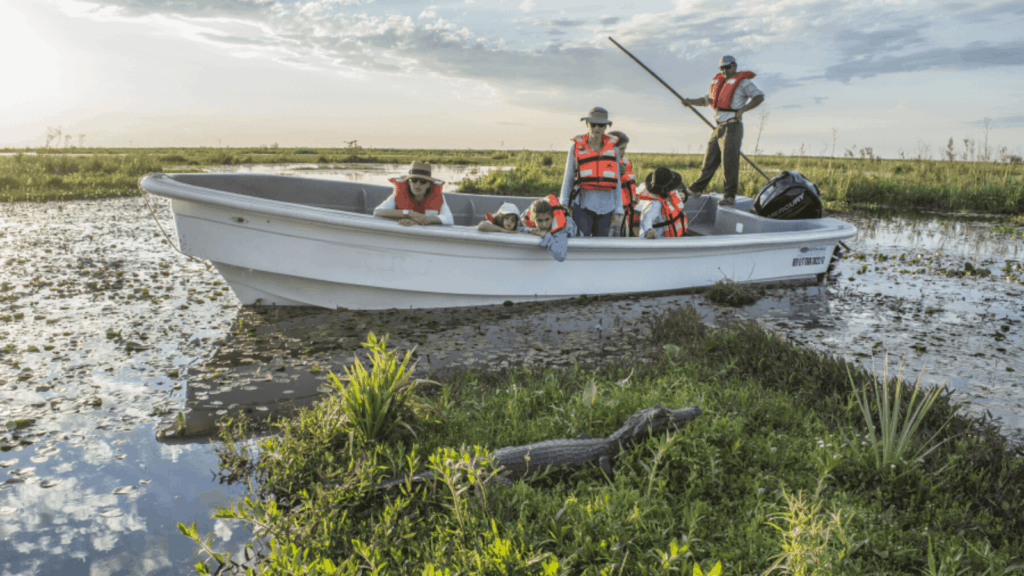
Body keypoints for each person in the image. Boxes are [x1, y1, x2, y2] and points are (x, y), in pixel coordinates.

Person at [680, 55, 764, 206]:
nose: (724, 70)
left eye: (727, 67)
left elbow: (759, 97)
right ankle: (696, 189)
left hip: (732, 126)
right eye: (722, 68)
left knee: (729, 162)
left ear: (734, 66)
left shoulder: (743, 82)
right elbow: (706, 100)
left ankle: (729, 195)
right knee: (709, 160)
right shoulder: (718, 82)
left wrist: (742, 110)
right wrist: (689, 102)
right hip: (718, 127)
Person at [559, 107, 623, 237]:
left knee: (602, 247)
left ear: (606, 127)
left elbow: (616, 182)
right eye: (593, 124)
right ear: (587, 124)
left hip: (607, 208)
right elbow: (569, 177)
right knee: (581, 243)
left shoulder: (614, 151)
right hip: (583, 205)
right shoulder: (576, 148)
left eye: (601, 125)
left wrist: (618, 208)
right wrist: (564, 203)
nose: (597, 128)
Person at [373, 162, 454, 226]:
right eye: (414, 180)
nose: (418, 184)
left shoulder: (438, 197)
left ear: (429, 184)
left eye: (423, 181)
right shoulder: (398, 195)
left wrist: (422, 219)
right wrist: (408, 214)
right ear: (408, 182)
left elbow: (449, 219)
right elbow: (378, 212)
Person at [521, 195, 579, 261]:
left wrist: (546, 235)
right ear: (533, 219)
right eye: (540, 220)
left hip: (580, 237)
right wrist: (529, 230)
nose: (544, 224)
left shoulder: (561, 227)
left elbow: (561, 256)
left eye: (547, 219)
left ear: (552, 217)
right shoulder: (528, 215)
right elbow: (516, 227)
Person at [638, 167, 688, 239]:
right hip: (662, 238)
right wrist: (649, 230)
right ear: (665, 189)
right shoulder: (656, 203)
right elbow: (647, 218)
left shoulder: (667, 196)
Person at [607, 130, 638, 237]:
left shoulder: (626, 163)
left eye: (625, 148)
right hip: (611, 212)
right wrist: (615, 171)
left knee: (624, 236)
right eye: (621, 149)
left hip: (625, 210)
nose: (624, 152)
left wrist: (634, 197)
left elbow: (630, 183)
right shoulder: (603, 164)